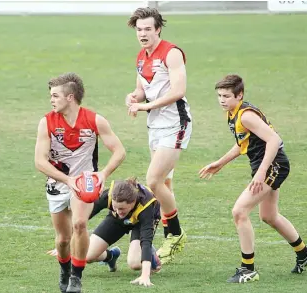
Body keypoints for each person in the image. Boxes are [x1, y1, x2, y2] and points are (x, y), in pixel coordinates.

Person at [199, 74, 307, 283]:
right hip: (265, 166)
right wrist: (220, 162)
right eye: (219, 95)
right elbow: (243, 143)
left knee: (239, 211)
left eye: (226, 96)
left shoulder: (245, 115)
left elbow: (275, 139)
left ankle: (248, 269)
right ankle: (304, 253)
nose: (222, 100)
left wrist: (262, 172)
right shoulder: (233, 113)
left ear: (239, 95)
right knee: (269, 216)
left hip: (273, 166)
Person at [35, 72, 126, 293]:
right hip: (58, 184)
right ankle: (65, 269)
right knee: (63, 239)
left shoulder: (94, 120)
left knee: (80, 225)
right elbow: (39, 161)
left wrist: (102, 174)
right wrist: (68, 180)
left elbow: (119, 151)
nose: (51, 100)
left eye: (55, 95)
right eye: (51, 96)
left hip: (85, 184)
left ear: (70, 97)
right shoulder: (46, 122)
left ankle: (76, 277)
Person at [125, 7, 192, 264]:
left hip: (176, 123)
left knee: (153, 181)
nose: (143, 34)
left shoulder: (172, 53)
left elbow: (178, 90)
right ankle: (170, 238)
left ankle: (175, 233)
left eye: (147, 29)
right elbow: (142, 90)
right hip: (155, 126)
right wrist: (133, 98)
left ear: (158, 29)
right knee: (164, 185)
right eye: (139, 30)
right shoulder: (141, 57)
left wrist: (145, 106)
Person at [47, 178, 162, 287]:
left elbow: (146, 240)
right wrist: (65, 244)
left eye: (121, 208)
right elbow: (82, 218)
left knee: (135, 264)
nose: (118, 211)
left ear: (132, 203)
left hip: (140, 224)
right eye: (115, 207)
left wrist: (145, 276)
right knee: (86, 256)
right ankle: (111, 256)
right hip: (116, 220)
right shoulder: (110, 196)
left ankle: (151, 257)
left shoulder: (146, 206)